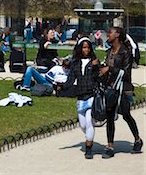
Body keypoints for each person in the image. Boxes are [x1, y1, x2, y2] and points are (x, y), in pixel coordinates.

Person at [99, 26, 143, 158]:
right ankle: (110, 146)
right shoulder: (109, 51)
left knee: (126, 114)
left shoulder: (126, 52)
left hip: (124, 88)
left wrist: (109, 69)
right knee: (110, 116)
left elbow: (125, 72)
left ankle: (137, 139)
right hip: (110, 88)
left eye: (110, 32)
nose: (108, 34)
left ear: (117, 35)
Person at [57, 37, 99, 159]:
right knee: (83, 125)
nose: (86, 50)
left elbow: (98, 77)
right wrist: (62, 87)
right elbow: (71, 79)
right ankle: (89, 137)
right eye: (84, 47)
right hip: (81, 97)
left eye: (88, 47)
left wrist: (96, 67)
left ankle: (89, 148)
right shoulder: (75, 63)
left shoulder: (94, 61)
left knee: (89, 122)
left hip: (91, 95)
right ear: (80, 49)